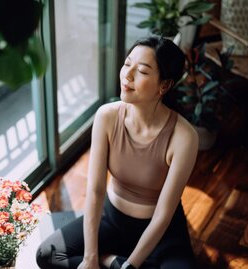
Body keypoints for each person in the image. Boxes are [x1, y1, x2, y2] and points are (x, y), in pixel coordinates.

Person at [36, 35, 199, 269]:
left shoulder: (184, 137)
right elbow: (95, 190)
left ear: (164, 85)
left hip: (161, 233)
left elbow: (163, 214)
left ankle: (117, 261)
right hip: (112, 220)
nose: (127, 76)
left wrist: (130, 266)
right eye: (127, 64)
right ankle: (108, 260)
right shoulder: (107, 116)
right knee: (47, 253)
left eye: (142, 71)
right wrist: (91, 257)